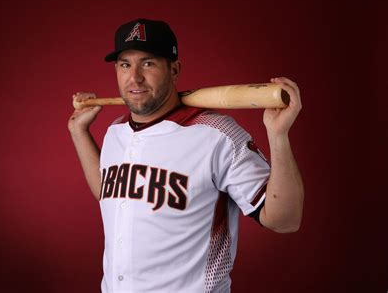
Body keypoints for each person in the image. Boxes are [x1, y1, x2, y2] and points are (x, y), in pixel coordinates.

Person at [68, 18, 304, 292]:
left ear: (174, 69)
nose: (135, 77)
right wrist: (79, 132)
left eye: (148, 62)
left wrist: (278, 135)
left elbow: (284, 220)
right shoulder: (115, 130)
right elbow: (107, 193)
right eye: (125, 64)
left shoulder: (217, 134)